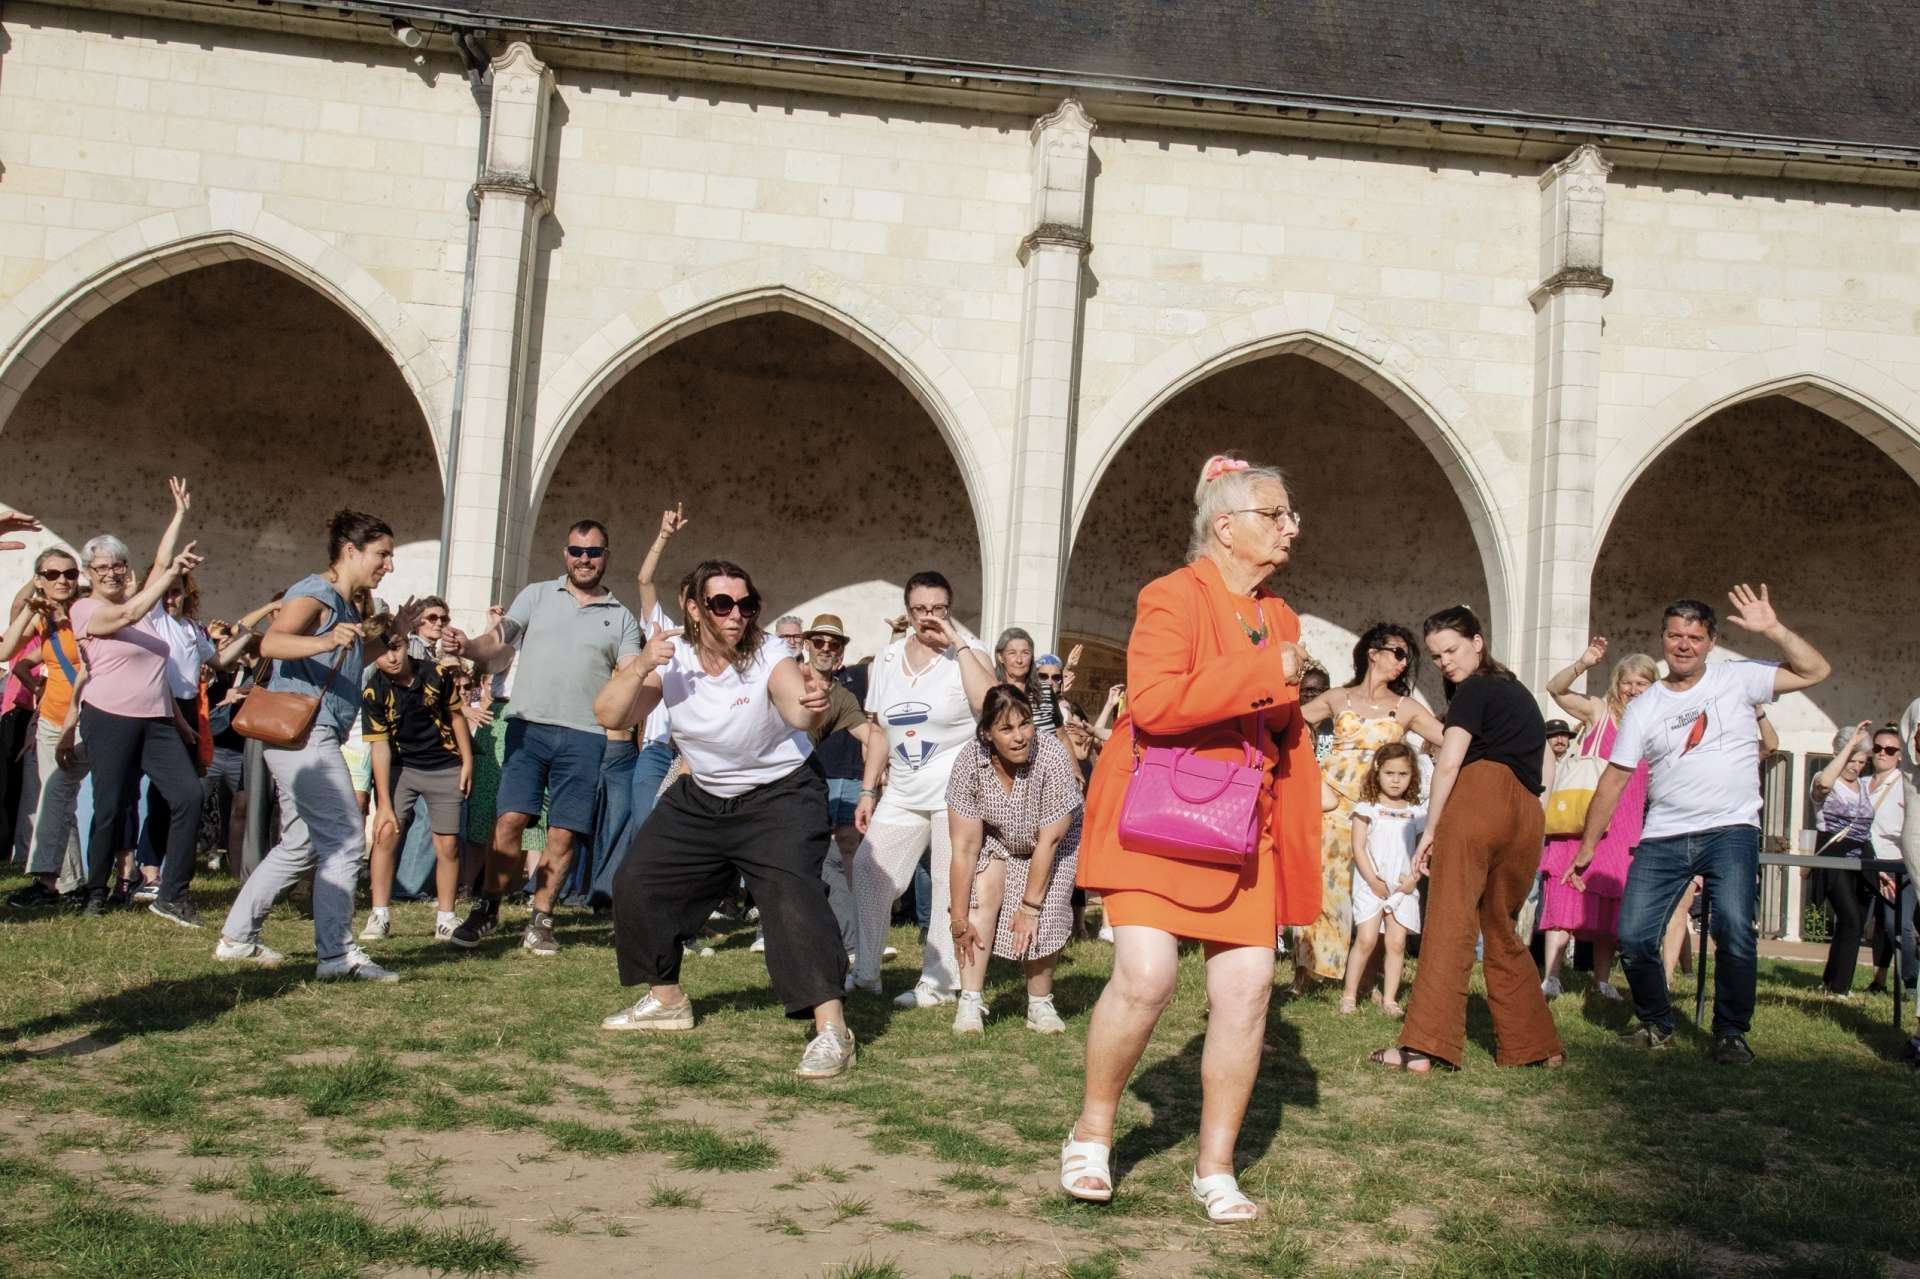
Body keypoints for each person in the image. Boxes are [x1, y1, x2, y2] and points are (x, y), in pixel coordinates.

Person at [1066, 454, 1316, 1223]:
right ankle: (1094, 1131)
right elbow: (1157, 702)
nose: (1290, 527)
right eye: (1275, 514)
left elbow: (1275, 718)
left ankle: (1215, 1166)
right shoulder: (1169, 596)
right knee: (1146, 977)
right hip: (1156, 816)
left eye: (1289, 515)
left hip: (1242, 825)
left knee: (1246, 994)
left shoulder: (1281, 614)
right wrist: (1268, 672)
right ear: (1226, 525)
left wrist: (1287, 688)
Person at [592, 559, 855, 1080]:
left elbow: (796, 707)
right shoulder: (672, 659)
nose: (736, 615)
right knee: (637, 883)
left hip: (780, 794)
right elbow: (611, 714)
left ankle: (833, 1030)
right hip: (704, 795)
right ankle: (666, 1000)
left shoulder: (770, 653)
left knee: (793, 895)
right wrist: (642, 664)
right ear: (693, 607)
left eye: (745, 604)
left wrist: (812, 704)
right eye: (722, 604)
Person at [1571, 589, 1830, 1065]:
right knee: (1633, 935)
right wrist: (1589, 845)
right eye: (1675, 636)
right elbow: (1616, 777)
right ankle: (1656, 1022)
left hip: (1730, 829)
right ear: (1663, 640)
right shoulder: (1646, 705)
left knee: (1733, 928)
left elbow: (1816, 670)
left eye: (1694, 636)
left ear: (1711, 641)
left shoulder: (1739, 678)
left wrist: (1772, 628)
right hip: (1663, 834)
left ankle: (1731, 1032)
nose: (1683, 645)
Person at [216, 510, 422, 981]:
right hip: (305, 733)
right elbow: (271, 643)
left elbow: (351, 659)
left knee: (301, 843)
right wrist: (326, 637)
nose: (388, 564)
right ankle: (336, 956)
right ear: (351, 551)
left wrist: (397, 633)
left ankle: (236, 939)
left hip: (313, 732)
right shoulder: (315, 592)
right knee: (348, 839)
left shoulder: (348, 604)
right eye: (382, 554)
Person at [1368, 605, 1562, 1075]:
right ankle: (1534, 1045)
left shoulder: (1475, 689)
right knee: (1501, 928)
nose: (1444, 662)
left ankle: (1424, 1047)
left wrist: (1430, 829)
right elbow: (1546, 765)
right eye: (1435, 657)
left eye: (1451, 650)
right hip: (1526, 812)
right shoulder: (1520, 693)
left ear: (1479, 642)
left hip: (1479, 801)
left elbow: (1450, 761)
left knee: (1450, 924)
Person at [443, 519, 641, 956]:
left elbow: (630, 676)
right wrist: (467, 647)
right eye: (576, 551)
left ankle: (541, 917)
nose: (584, 559)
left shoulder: (620, 617)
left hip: (587, 736)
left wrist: (648, 667)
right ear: (564, 553)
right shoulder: (536, 595)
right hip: (528, 728)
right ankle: (489, 905)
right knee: (509, 821)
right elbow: (499, 641)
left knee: (564, 834)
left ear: (606, 556)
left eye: (593, 552)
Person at [851, 570, 995, 1007]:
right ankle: (866, 971)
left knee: (951, 886)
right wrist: (868, 789)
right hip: (903, 789)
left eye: (937, 609)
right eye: (919, 610)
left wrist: (957, 643)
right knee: (868, 870)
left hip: (957, 793)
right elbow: (878, 729)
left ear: (949, 609)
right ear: (908, 611)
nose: (928, 617)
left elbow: (988, 701)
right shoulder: (890, 657)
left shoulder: (968, 651)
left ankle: (938, 981)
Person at [69, 482, 211, 922]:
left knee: (188, 796)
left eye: (119, 566)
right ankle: (96, 890)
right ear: (89, 573)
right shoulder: (85, 611)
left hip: (157, 720)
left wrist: (178, 514)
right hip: (109, 717)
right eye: (102, 567)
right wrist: (165, 577)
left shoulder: (146, 606)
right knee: (112, 806)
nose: (112, 573)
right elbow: (129, 613)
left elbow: (163, 566)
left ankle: (172, 893)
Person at [1296, 622, 1445, 993]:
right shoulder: (1336, 697)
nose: (1402, 662)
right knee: (1323, 884)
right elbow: (1290, 721)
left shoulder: (1406, 707)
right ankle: (1306, 974)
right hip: (1332, 802)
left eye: (1407, 658)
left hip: (1379, 810)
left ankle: (1369, 979)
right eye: (1396, 652)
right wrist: (1308, 772)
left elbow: (1448, 739)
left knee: (1378, 886)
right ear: (1373, 653)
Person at [947, 684, 1083, 1035]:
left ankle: (1039, 1003)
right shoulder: (969, 761)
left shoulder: (1051, 756)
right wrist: (959, 918)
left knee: (1045, 914)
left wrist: (1029, 908)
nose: (1020, 737)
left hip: (1053, 841)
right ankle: (970, 1001)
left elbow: (1049, 841)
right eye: (1006, 729)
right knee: (979, 898)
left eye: (1025, 724)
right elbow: (963, 848)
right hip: (997, 838)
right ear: (987, 734)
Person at [1538, 639, 1658, 1001]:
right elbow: (1555, 689)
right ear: (1616, 683)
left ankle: (1602, 982)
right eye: (1627, 681)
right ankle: (1552, 977)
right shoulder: (1599, 712)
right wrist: (1583, 662)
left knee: (1610, 906)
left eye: (1642, 683)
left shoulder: (1656, 728)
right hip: (1581, 820)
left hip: (1624, 828)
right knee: (1562, 899)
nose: (1633, 689)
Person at [359, 633, 474, 942]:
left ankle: (446, 918)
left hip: (445, 765)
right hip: (400, 767)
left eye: (395, 648)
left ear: (405, 645)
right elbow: (379, 747)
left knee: (447, 844)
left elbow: (456, 716)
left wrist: (467, 762)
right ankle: (379, 914)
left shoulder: (435, 674)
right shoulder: (373, 691)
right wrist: (383, 801)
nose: (392, 658)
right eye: (382, 652)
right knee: (385, 835)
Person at [3, 546, 89, 907]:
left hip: (83, 718)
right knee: (57, 801)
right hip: (50, 720)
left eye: (69, 574)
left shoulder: (86, 612)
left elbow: (87, 669)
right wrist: (30, 609)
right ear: (39, 580)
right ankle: (66, 885)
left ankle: (57, 882)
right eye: (52, 575)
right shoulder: (44, 619)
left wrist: (71, 720)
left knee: (58, 797)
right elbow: (8, 651)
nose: (63, 581)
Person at [799, 613, 882, 959]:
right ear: (807, 645)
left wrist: (867, 791)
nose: (826, 649)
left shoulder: (842, 698)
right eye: (819, 642)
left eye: (834, 644)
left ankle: (849, 945)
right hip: (762, 780)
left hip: (801, 787)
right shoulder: (785, 676)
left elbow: (875, 738)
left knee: (826, 857)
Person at [1339, 742, 1424, 1016]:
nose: (1396, 780)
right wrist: (1373, 880)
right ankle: (1349, 995)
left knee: (1397, 943)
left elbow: (1424, 851)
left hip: (1403, 886)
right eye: (1390, 773)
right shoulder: (1367, 808)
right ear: (1378, 772)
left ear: (1412, 775)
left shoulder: (1416, 812)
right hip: (1371, 884)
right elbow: (1358, 847)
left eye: (1403, 774)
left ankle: (1390, 999)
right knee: (1366, 939)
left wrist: (1413, 878)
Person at [1808, 721, 1880, 997]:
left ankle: (1830, 979)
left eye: (1862, 762)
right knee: (1850, 918)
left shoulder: (1862, 786)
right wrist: (1850, 744)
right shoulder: (1823, 779)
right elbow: (1824, 784)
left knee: (1854, 920)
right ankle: (1839, 989)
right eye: (1852, 760)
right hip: (1833, 854)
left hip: (1860, 856)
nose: (1856, 767)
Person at [1863, 725, 1912, 999]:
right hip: (1869, 862)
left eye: (1890, 750)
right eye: (1878, 748)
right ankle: (1878, 981)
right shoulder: (1862, 783)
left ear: (1899, 755)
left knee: (1899, 924)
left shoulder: (1904, 786)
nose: (1883, 754)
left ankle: (1911, 983)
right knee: (1876, 925)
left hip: (1897, 864)